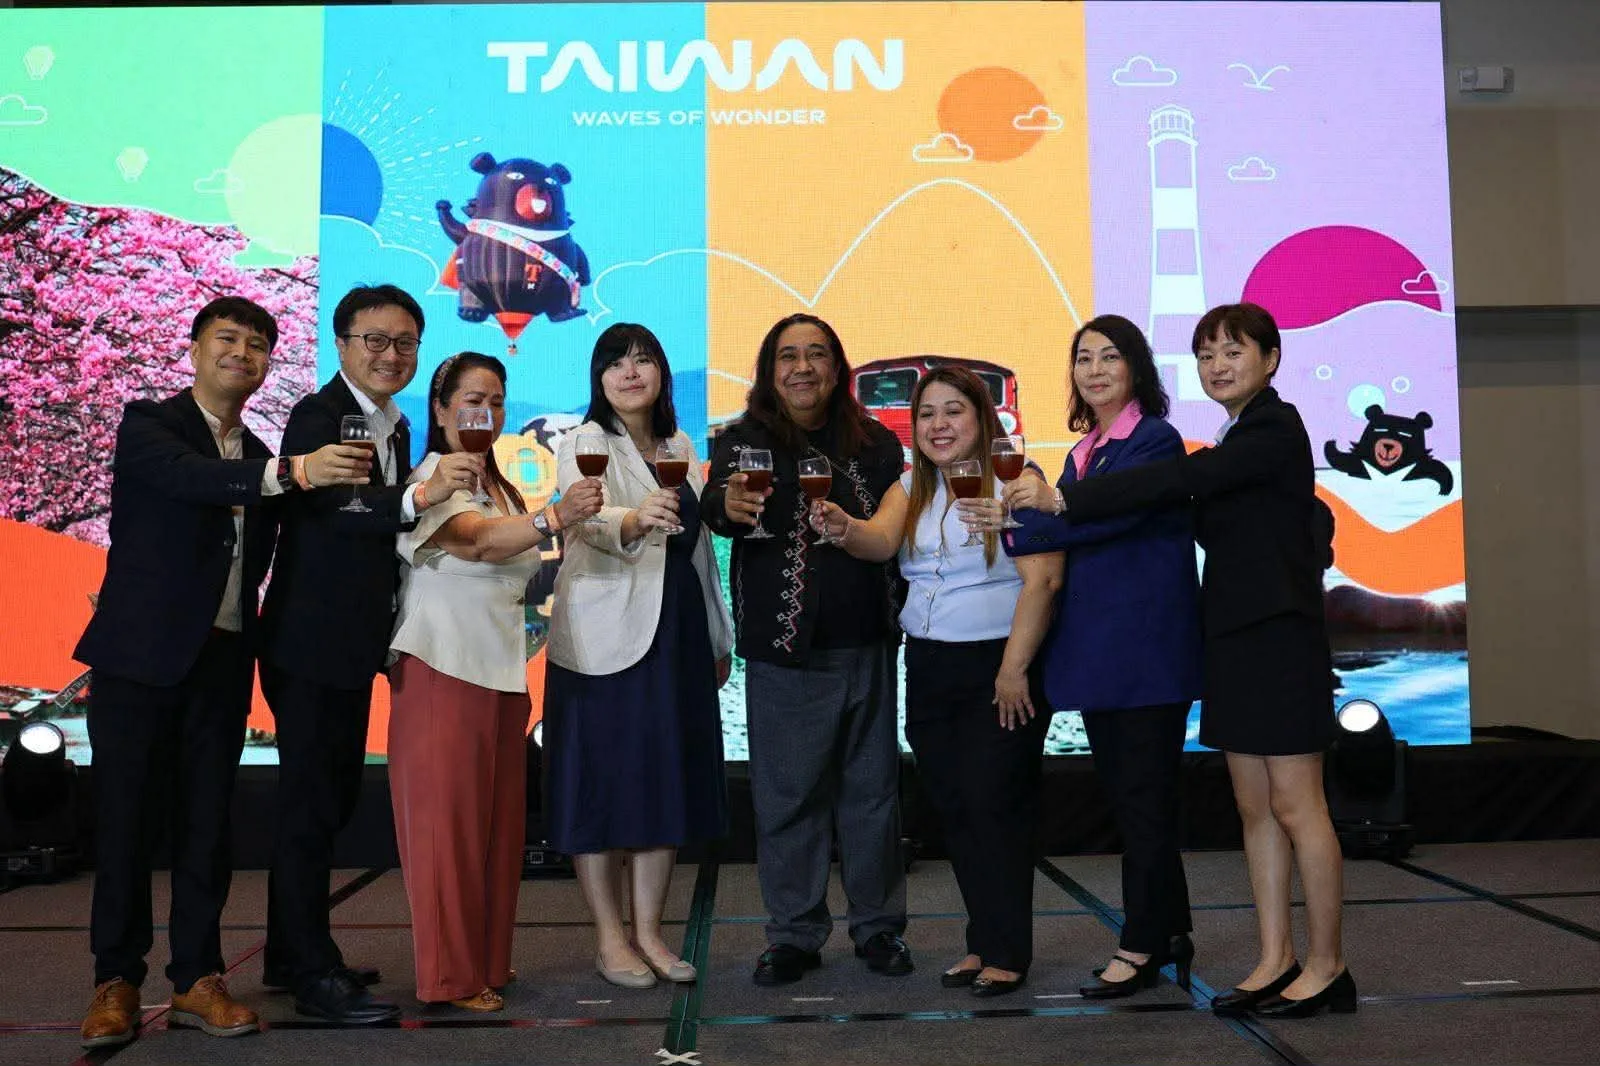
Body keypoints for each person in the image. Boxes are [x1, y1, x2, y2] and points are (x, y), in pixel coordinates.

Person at [1005, 303, 1353, 1018]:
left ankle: (1327, 966)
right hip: (1229, 638)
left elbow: (1173, 485)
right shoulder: (1235, 436)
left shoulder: (1271, 427)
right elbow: (1293, 517)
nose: (1218, 366)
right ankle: (1275, 958)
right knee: (1255, 810)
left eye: (1234, 351)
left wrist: (1062, 498)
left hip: (1279, 639)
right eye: (1206, 354)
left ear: (1271, 359)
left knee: (1298, 806)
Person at [74, 298, 370, 1048]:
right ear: (196, 349)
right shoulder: (150, 425)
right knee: (126, 822)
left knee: (208, 823)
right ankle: (116, 980)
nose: (243, 352)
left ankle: (197, 979)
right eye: (228, 339)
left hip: (223, 657)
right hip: (140, 658)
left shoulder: (261, 450)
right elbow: (191, 480)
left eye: (258, 344)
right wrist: (293, 472)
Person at [258, 284, 479, 1024]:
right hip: (309, 642)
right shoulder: (317, 415)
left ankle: (289, 952)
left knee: (327, 802)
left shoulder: (395, 423)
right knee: (310, 806)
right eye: (374, 341)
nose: (390, 355)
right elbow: (337, 508)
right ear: (342, 343)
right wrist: (417, 500)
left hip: (351, 644)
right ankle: (311, 973)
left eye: (404, 343)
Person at [811, 366, 1063, 997]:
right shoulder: (911, 485)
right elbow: (878, 541)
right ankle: (983, 941)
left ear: (982, 418)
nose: (938, 425)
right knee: (955, 809)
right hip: (928, 664)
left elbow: (1045, 580)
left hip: (1000, 666)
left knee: (996, 807)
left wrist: (1013, 669)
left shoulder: (1017, 480)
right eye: (927, 414)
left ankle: (1008, 951)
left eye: (954, 411)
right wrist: (844, 527)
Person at [700, 313, 913, 986]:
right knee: (787, 800)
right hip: (783, 651)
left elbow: (894, 523)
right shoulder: (742, 442)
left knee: (873, 799)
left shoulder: (876, 443)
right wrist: (730, 504)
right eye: (787, 356)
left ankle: (879, 929)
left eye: (816, 354)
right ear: (770, 371)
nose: (802, 368)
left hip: (867, 644)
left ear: (837, 368)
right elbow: (716, 504)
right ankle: (793, 935)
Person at [995, 315, 1202, 998]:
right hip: (1104, 657)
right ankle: (1169, 929)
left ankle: (1141, 943)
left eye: (1110, 357)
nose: (1095, 369)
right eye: (1083, 358)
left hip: (1145, 655)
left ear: (1136, 367)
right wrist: (1009, 521)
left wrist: (1043, 509)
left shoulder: (1154, 439)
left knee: (1142, 803)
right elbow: (1065, 530)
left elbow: (1113, 517)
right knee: (1134, 799)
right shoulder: (1085, 451)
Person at [388, 352, 602, 1010]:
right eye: (472, 401)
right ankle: (449, 976)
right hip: (440, 666)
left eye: (497, 402)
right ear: (441, 409)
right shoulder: (430, 479)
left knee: (497, 832)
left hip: (500, 672)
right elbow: (476, 541)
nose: (487, 413)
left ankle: (485, 962)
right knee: (446, 835)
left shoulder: (500, 483)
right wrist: (554, 517)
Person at [543, 324, 734, 989]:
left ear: (661, 374)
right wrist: (633, 517)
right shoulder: (583, 442)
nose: (630, 373)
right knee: (600, 784)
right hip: (603, 633)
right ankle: (609, 939)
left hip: (676, 629)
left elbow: (700, 551)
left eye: (643, 360)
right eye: (616, 363)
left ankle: (650, 933)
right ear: (599, 378)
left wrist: (717, 637)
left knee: (664, 782)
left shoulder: (680, 445)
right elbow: (588, 519)